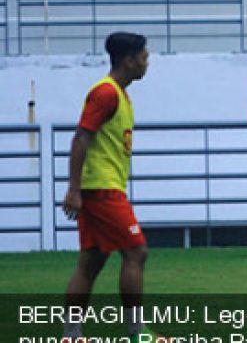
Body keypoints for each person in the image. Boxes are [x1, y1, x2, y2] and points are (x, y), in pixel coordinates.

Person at [61, 32, 157, 342]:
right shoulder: (105, 94)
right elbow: (81, 138)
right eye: (143, 56)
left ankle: (72, 335)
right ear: (128, 60)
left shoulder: (120, 94)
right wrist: (74, 189)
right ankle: (136, 332)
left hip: (103, 188)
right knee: (136, 251)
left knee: (91, 260)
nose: (147, 61)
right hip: (102, 190)